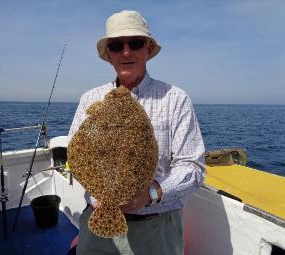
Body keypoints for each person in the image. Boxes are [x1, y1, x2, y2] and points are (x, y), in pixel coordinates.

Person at [68, 10, 205, 255]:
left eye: (136, 43)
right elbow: (76, 154)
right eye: (117, 46)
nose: (126, 52)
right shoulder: (90, 99)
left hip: (157, 228)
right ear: (109, 55)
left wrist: (150, 193)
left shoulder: (175, 99)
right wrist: (99, 195)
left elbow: (193, 167)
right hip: (97, 216)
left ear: (148, 50)